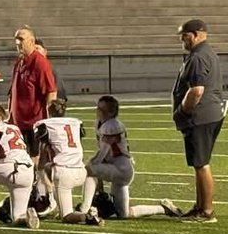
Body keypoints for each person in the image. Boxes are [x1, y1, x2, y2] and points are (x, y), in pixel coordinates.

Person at [69, 94, 181, 224]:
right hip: (119, 167)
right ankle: (163, 209)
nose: (97, 111)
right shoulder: (101, 123)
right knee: (125, 214)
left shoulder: (112, 125)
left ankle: (84, 209)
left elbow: (103, 153)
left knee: (89, 169)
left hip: (121, 169)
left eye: (101, 109)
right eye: (98, 108)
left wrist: (90, 164)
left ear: (110, 112)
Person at [172, 19, 227, 223]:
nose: (182, 40)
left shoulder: (198, 57)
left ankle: (206, 210)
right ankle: (200, 206)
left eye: (184, 35)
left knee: (202, 164)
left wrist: (182, 111)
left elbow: (196, 91)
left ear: (195, 34)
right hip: (208, 114)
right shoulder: (206, 54)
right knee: (199, 163)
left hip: (200, 116)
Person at [8, 26, 57, 208]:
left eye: (20, 38)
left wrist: (47, 121)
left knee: (36, 164)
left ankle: (46, 197)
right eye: (16, 38)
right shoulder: (19, 62)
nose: (17, 42)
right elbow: (13, 91)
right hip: (18, 122)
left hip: (34, 122)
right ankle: (31, 195)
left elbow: (51, 91)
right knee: (21, 163)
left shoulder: (39, 62)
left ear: (31, 40)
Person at [0, 103, 38, 229]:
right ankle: (26, 218)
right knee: (17, 217)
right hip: (27, 171)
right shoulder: (14, 128)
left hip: (9, 168)